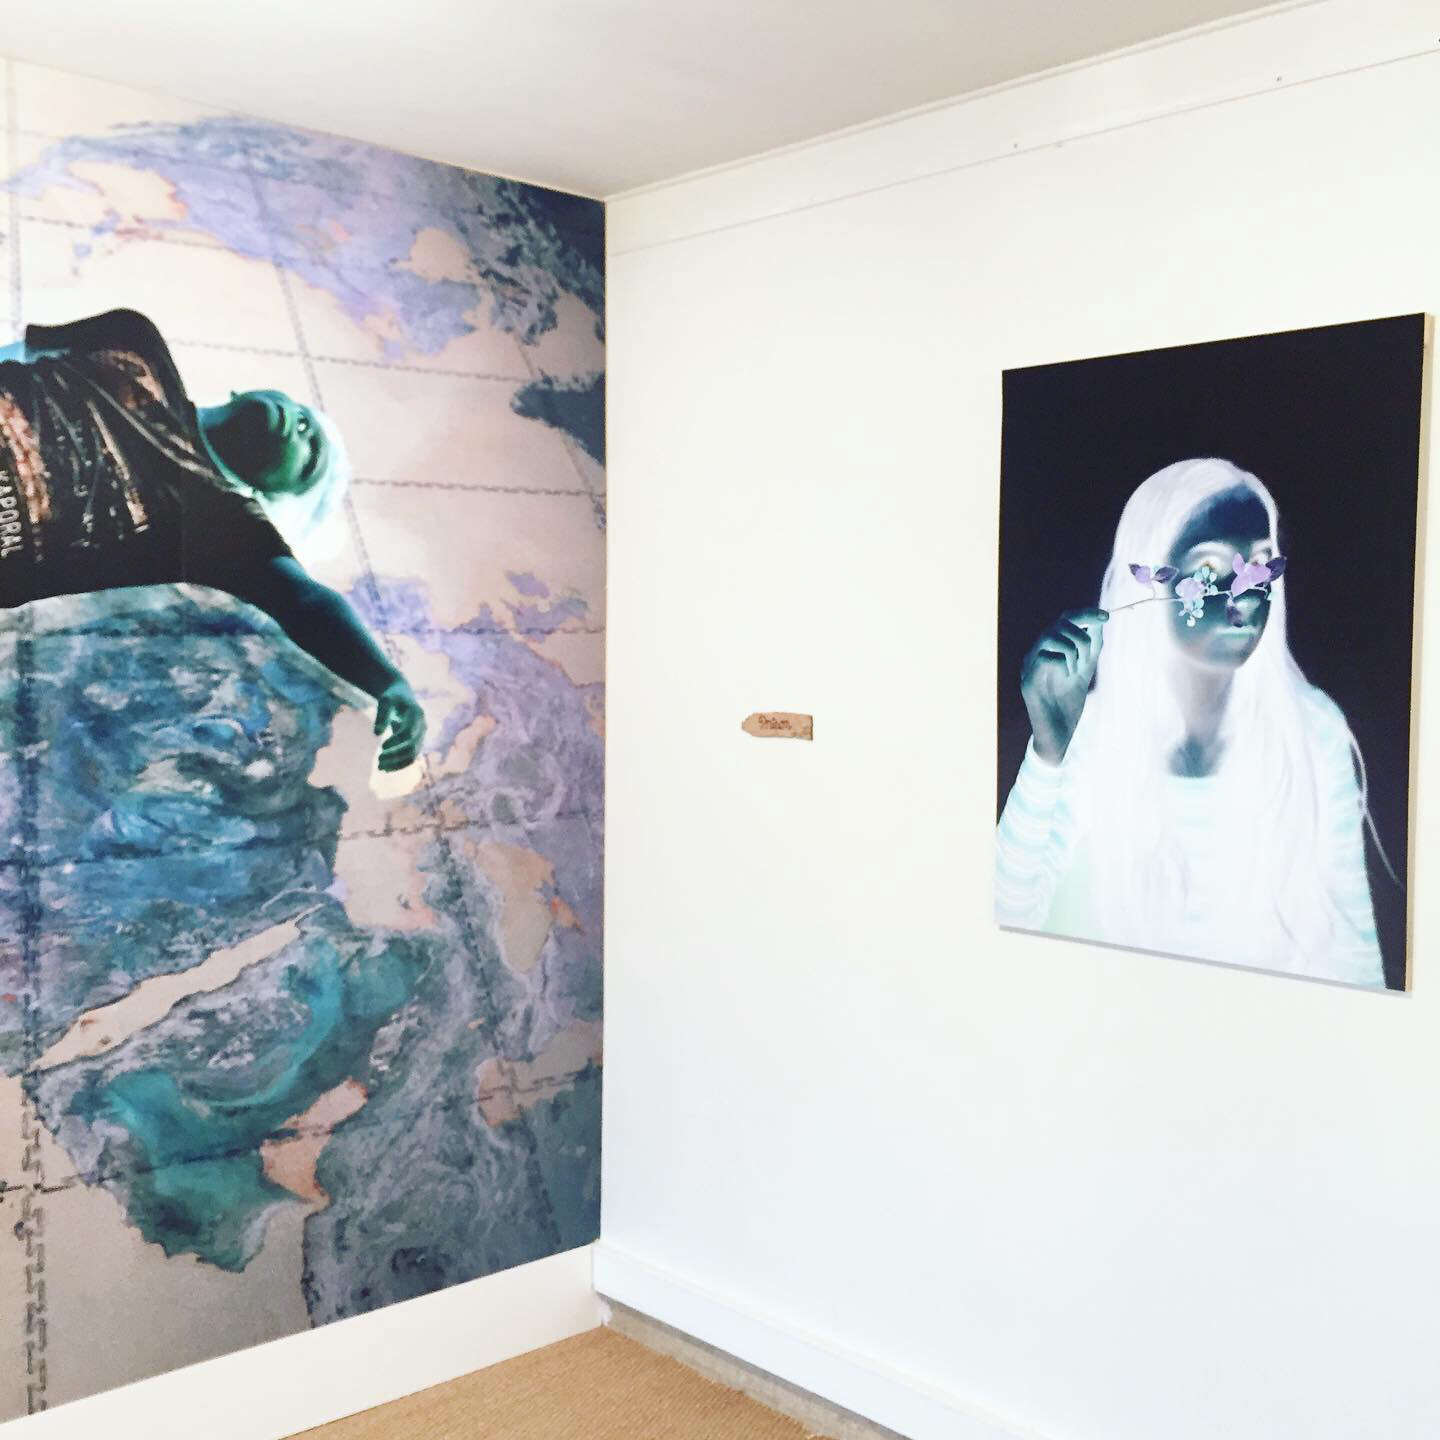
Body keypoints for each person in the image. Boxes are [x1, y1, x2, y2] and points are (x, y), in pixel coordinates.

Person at [996, 457, 1385, 987]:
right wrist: (1047, 756)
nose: (1244, 595)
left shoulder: (1312, 733)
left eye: (1261, 564)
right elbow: (1008, 919)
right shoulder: (1094, 736)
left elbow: (1355, 958)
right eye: (1208, 568)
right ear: (1147, 580)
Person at [0, 308, 424, 771]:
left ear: (273, 494)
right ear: (249, 391)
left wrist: (387, 681)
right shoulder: (135, 337)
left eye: (310, 456)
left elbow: (307, 602)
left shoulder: (221, 528)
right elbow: (16, 352)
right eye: (305, 415)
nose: (302, 427)